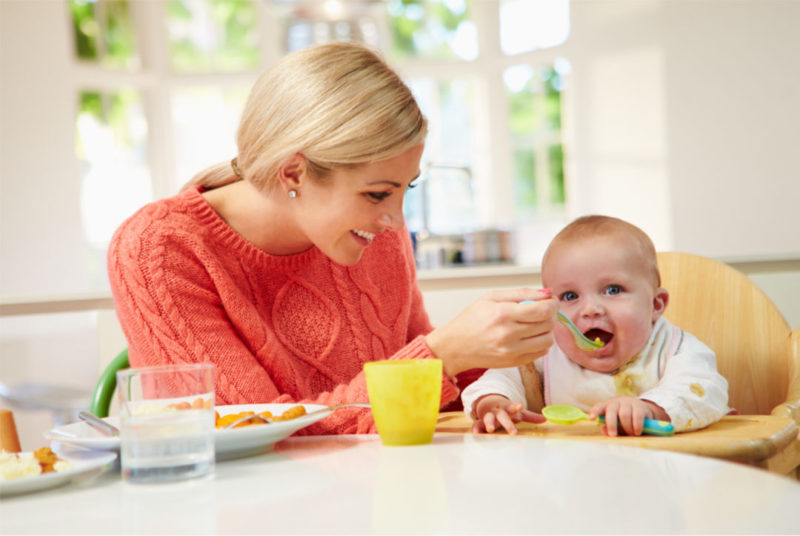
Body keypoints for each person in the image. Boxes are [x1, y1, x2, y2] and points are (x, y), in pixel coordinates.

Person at [107, 42, 558, 435]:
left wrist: (500, 379)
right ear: (293, 172)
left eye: (405, 189)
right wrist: (442, 355)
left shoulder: (371, 234)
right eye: (378, 193)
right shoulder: (158, 250)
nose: (395, 221)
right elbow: (248, 431)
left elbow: (431, 397)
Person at [461, 215, 730, 436]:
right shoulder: (546, 352)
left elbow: (704, 390)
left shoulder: (675, 349)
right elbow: (500, 377)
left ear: (656, 305)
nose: (590, 309)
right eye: (569, 296)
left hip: (666, 472)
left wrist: (650, 408)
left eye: (613, 290)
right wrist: (493, 402)